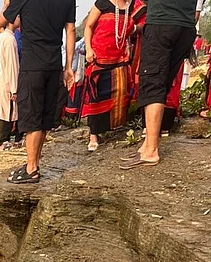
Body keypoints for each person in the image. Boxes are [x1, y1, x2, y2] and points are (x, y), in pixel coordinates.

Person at [2, 0, 77, 184]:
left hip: (33, 65)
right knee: (43, 118)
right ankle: (34, 163)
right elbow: (71, 30)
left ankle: (31, 168)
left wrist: (7, 3)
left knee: (32, 118)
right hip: (54, 65)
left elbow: (3, 20)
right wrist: (68, 67)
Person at [121, 0, 198, 168]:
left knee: (153, 83)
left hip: (162, 22)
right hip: (186, 26)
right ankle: (147, 145)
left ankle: (151, 151)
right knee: (163, 83)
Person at [82, 0, 146, 153]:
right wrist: (89, 49)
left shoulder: (132, 6)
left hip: (119, 58)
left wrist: (136, 29)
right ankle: (93, 136)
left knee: (121, 93)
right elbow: (89, 26)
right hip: (99, 57)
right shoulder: (102, 3)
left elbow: (137, 26)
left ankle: (112, 126)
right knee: (96, 96)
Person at [0, 16, 20, 151]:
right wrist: (14, 88)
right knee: (6, 113)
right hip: (7, 80)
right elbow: (12, 66)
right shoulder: (9, 39)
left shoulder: (2, 37)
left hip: (2, 79)